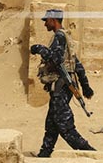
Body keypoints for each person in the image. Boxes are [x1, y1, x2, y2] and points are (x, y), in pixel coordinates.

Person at [30, 9, 96, 157]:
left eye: (47, 20)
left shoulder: (59, 37)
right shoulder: (66, 36)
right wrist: (86, 87)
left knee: (65, 126)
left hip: (61, 85)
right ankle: (44, 154)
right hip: (64, 86)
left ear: (53, 20)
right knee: (52, 124)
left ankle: (90, 153)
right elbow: (76, 64)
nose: (45, 24)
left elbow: (56, 59)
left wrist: (38, 48)